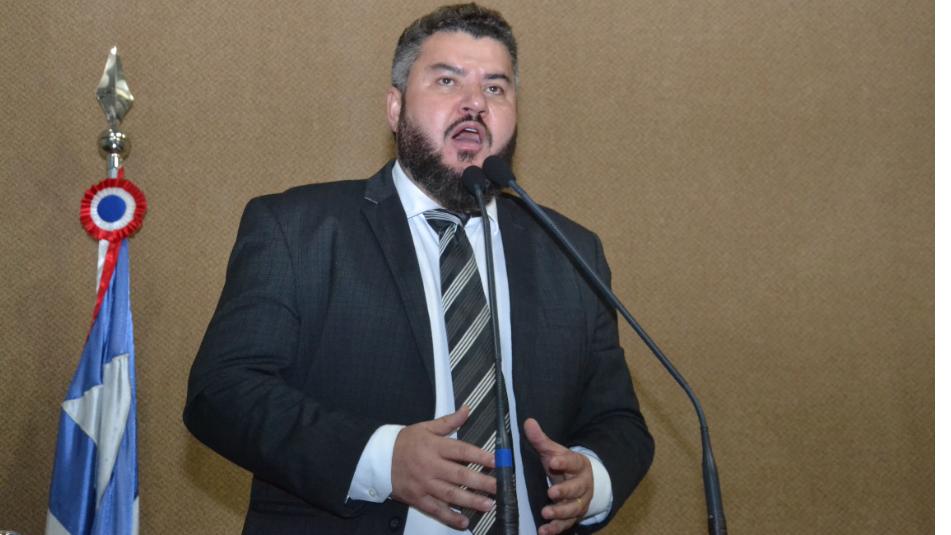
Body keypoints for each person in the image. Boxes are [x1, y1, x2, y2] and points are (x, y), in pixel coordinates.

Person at [183, 4, 653, 534]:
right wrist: (381, 459)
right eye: (448, 81)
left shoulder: (570, 251)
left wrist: (592, 479)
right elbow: (222, 393)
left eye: (495, 88)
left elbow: (619, 422)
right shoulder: (299, 229)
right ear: (395, 107)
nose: (475, 102)